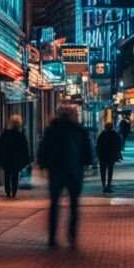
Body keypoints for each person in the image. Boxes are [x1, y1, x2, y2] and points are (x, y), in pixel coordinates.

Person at [37, 103, 92, 248]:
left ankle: (52, 237)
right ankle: (72, 237)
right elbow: (87, 152)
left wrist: (43, 165)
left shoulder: (51, 130)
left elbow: (43, 149)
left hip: (55, 171)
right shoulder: (80, 131)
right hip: (74, 171)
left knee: (54, 204)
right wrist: (86, 163)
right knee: (73, 205)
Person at [0, 115, 31, 199]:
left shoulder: (5, 134)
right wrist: (26, 160)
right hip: (17, 159)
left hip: (6, 159)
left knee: (7, 175)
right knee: (15, 175)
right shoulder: (21, 135)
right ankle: (14, 192)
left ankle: (8, 191)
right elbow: (25, 149)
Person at [95, 122, 123, 192]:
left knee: (103, 171)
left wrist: (97, 155)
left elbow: (98, 145)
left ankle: (104, 185)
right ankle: (109, 185)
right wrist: (117, 152)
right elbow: (119, 144)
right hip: (111, 155)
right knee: (110, 171)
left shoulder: (102, 135)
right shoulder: (115, 134)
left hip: (103, 155)